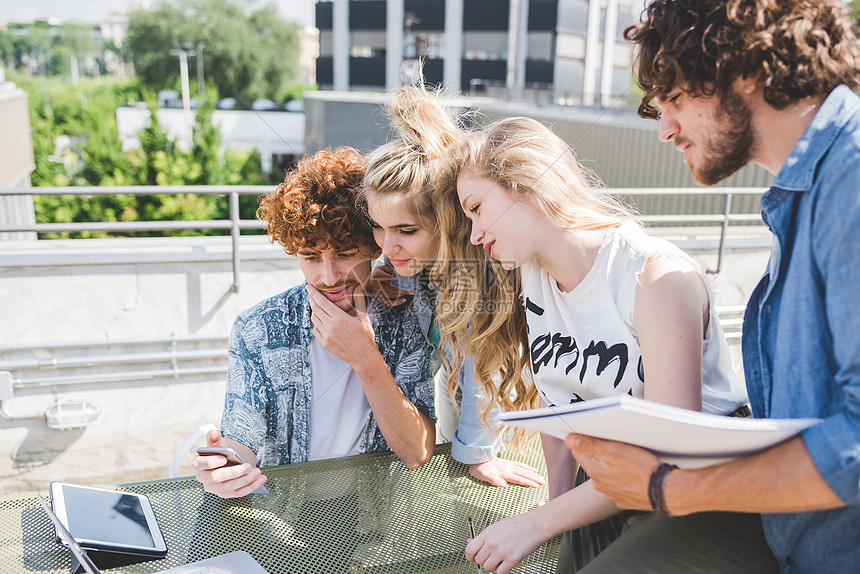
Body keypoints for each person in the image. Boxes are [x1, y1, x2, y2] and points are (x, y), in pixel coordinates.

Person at [565, 0, 860, 571]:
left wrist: (666, 490)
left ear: (743, 68)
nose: (665, 129)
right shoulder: (811, 190)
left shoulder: (849, 181)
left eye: (675, 99)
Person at [430, 111, 775, 569]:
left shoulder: (652, 276)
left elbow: (670, 452)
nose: (474, 234)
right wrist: (557, 515)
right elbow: (560, 412)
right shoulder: (533, 276)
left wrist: (541, 523)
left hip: (701, 490)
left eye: (476, 208)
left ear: (526, 184)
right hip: (613, 488)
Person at [192, 147, 436, 499]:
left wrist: (366, 359)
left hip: (376, 524)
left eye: (346, 254)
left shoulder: (405, 319)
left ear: (374, 246)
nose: (329, 275)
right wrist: (223, 469)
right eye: (310, 256)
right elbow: (241, 442)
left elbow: (418, 453)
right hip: (279, 521)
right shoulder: (257, 329)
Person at [358, 85, 545, 488]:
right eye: (378, 227)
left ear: (446, 224)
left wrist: (476, 455)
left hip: (501, 411)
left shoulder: (476, 278)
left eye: (405, 230)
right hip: (456, 385)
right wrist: (386, 276)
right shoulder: (418, 259)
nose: (387, 248)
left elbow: (485, 376)